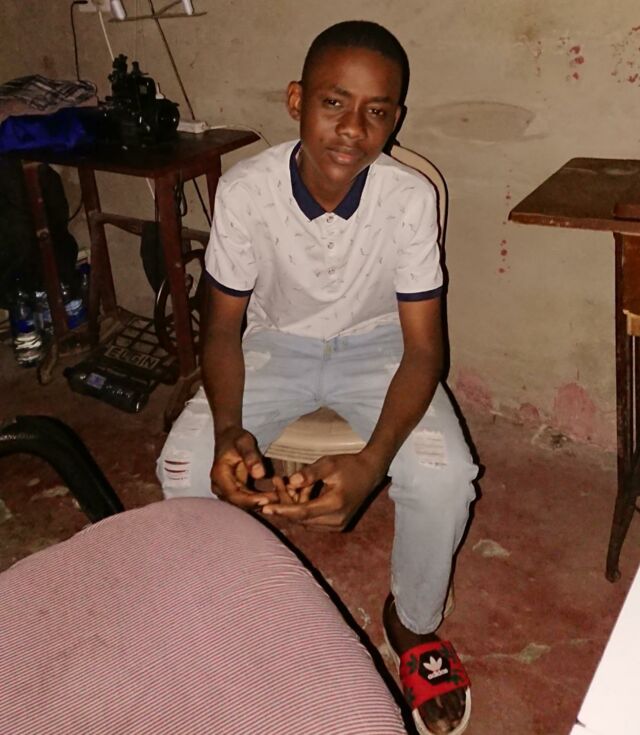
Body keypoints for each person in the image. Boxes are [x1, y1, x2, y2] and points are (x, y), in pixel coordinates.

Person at [158, 20, 478, 735]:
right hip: (276, 345)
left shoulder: (407, 198)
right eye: (334, 102)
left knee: (445, 476)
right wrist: (231, 429)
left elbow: (423, 350)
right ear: (296, 99)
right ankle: (234, 611)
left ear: (396, 119)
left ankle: (414, 621)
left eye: (377, 111)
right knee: (184, 467)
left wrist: (372, 462)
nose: (353, 129)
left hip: (379, 348)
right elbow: (223, 328)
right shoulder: (246, 191)